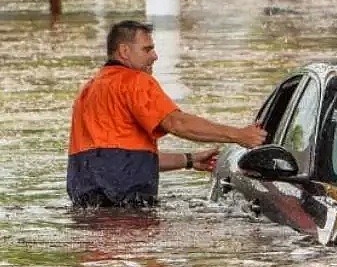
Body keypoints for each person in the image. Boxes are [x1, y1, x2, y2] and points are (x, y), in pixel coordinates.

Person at [67, 20, 268, 208]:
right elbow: (177, 123)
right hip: (128, 208)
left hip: (87, 206)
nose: (155, 56)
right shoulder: (135, 81)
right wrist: (240, 135)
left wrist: (189, 160)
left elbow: (121, 160)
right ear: (124, 51)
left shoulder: (87, 92)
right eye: (147, 49)